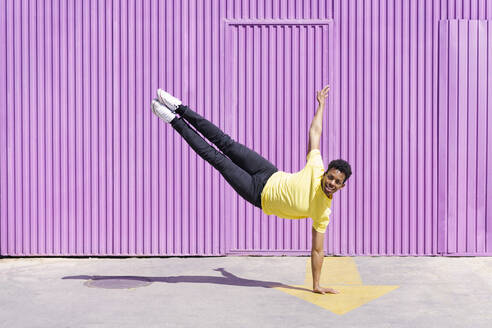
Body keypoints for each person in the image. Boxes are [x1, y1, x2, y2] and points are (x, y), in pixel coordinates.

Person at [151, 85, 352, 295]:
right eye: (331, 177)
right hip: (268, 172)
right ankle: (180, 108)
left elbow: (318, 250)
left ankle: (172, 119)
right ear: (326, 172)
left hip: (257, 194)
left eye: (337, 182)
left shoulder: (323, 212)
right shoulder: (316, 166)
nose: (331, 183)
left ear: (342, 186)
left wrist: (316, 284)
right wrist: (321, 105)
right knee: (226, 143)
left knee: (217, 158)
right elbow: (315, 131)